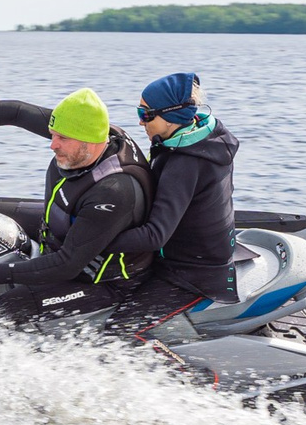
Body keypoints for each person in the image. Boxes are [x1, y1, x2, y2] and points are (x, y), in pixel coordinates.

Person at [0, 87, 155, 326]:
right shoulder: (85, 128)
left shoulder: (113, 191)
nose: (52, 144)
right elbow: (15, 113)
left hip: (100, 281)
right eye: (53, 134)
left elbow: (67, 264)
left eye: (62, 139)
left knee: (5, 310)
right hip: (63, 233)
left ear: (88, 143)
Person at [100, 72, 242, 331]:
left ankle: (189, 374)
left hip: (192, 274)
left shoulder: (184, 163)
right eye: (138, 112)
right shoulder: (199, 136)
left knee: (117, 332)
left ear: (172, 115)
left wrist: (91, 241)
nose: (141, 122)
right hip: (189, 256)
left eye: (146, 114)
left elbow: (155, 236)